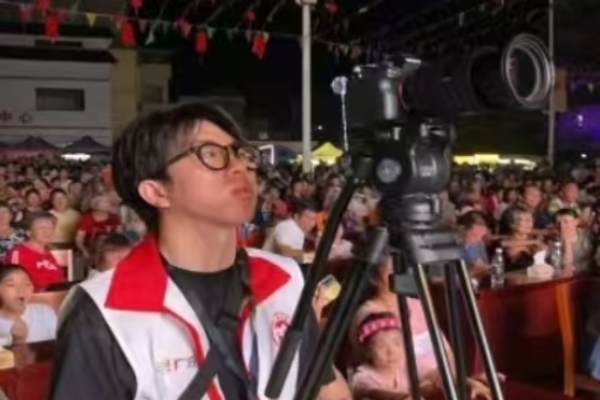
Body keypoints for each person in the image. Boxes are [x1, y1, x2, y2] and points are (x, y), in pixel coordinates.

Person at [49, 103, 350, 400]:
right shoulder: (104, 312)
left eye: (241, 153)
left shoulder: (283, 280)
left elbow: (326, 388)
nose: (240, 167)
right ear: (157, 192)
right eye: (211, 154)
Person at [5, 212, 64, 291]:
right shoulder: (18, 253)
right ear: (29, 233)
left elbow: (60, 280)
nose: (47, 231)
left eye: (50, 228)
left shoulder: (49, 254)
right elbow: (15, 288)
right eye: (41, 228)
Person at [0, 264, 57, 345]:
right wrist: (17, 341)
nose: (21, 290)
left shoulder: (44, 312)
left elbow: (62, 345)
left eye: (26, 284)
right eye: (11, 285)